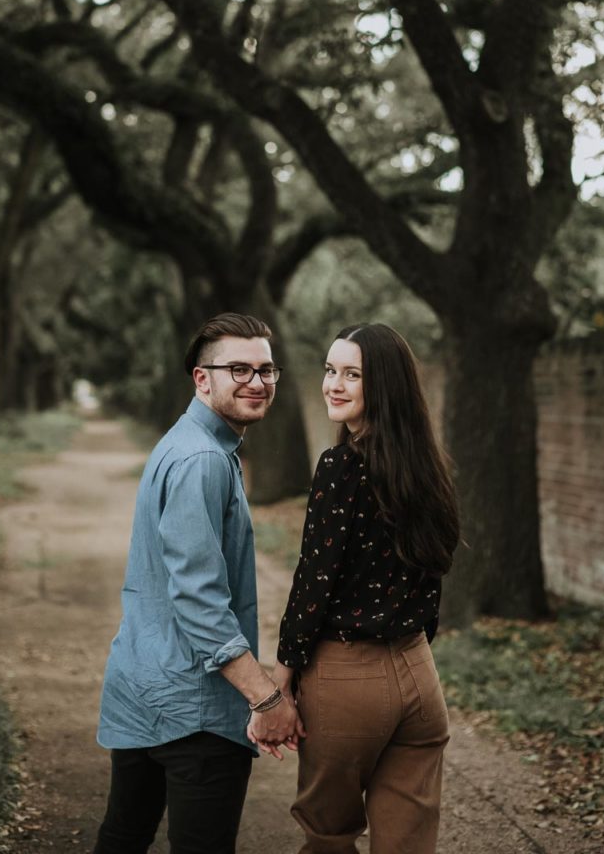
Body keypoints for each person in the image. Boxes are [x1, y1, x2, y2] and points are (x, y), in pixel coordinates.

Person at [93, 312, 303, 854]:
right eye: (239, 369)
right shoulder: (203, 459)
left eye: (266, 370)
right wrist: (264, 699)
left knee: (123, 837)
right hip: (196, 710)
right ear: (201, 378)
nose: (257, 382)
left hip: (144, 688)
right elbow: (199, 599)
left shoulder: (187, 443)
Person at [270, 323, 460, 854]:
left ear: (385, 386)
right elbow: (433, 577)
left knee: (329, 838)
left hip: (347, 681)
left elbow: (313, 585)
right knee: (408, 844)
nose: (334, 384)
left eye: (352, 374)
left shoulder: (341, 467)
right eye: (331, 370)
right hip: (420, 678)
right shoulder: (427, 470)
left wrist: (280, 689)